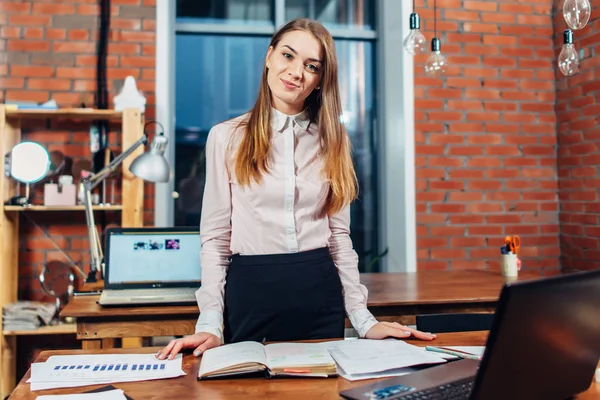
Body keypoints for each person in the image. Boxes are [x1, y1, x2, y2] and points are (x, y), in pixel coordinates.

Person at [157, 18, 435, 361]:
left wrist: (363, 320)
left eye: (311, 66)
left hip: (318, 291)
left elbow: (338, 238)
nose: (295, 72)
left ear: (320, 80)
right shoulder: (226, 137)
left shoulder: (333, 141)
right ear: (269, 57)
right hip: (251, 293)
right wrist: (210, 325)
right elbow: (215, 240)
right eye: (288, 56)